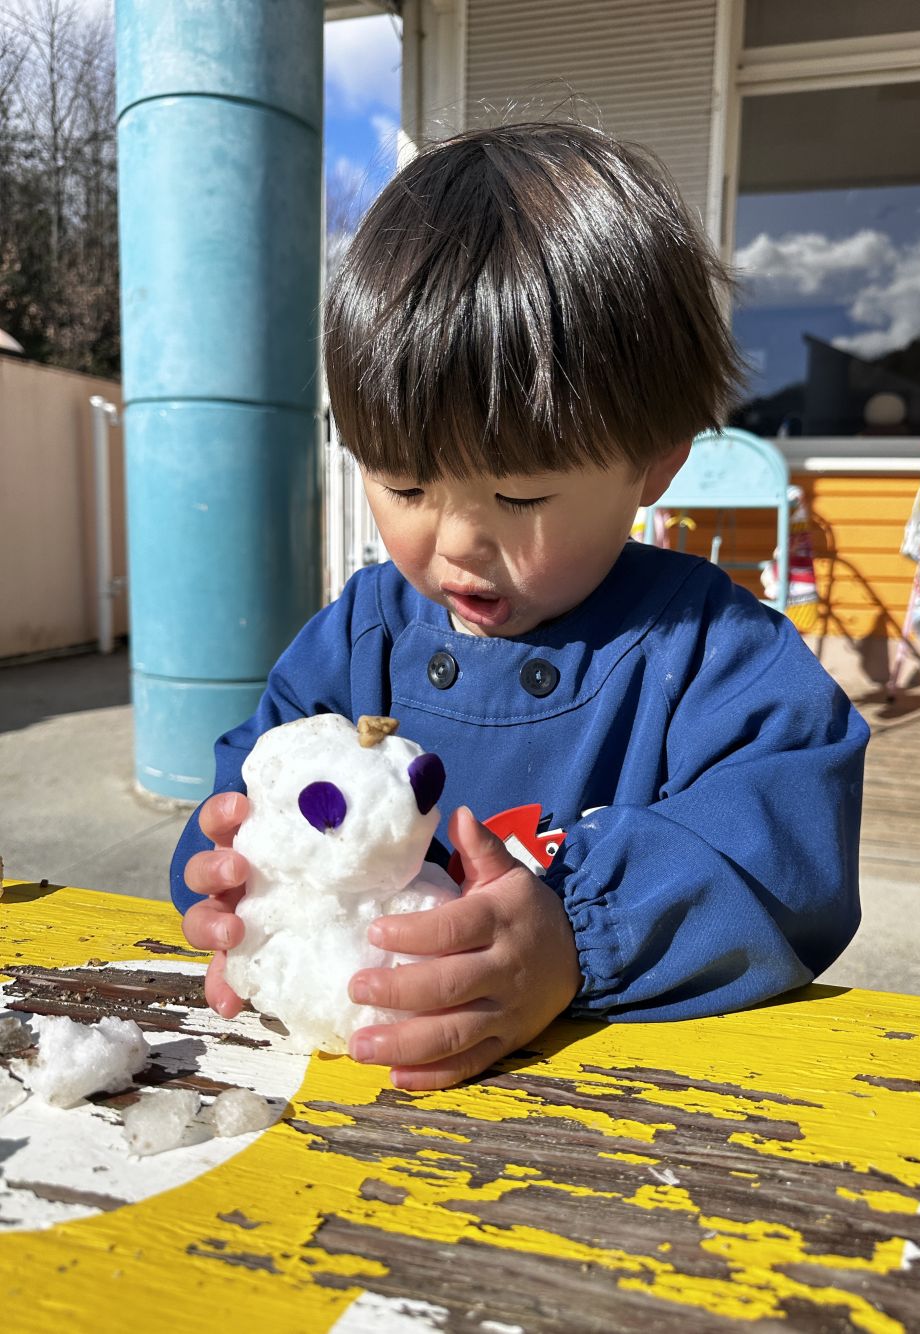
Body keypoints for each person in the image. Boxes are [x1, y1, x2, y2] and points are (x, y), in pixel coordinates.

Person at [173, 121, 868, 1092]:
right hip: (340, 1106)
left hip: (613, 1133)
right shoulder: (361, 639)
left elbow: (789, 856)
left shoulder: (710, 655)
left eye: (520, 496)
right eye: (405, 485)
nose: (454, 540)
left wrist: (576, 932)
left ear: (654, 458)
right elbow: (246, 774)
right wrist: (232, 876)